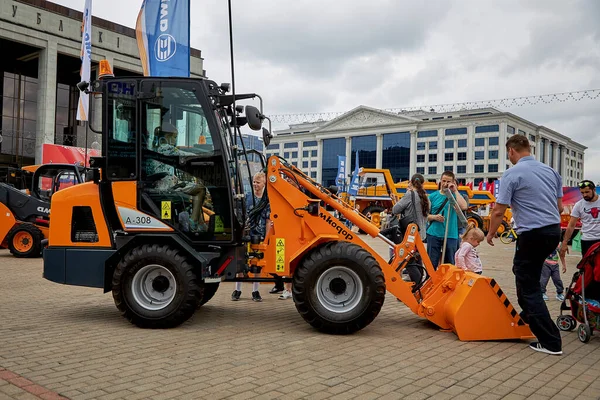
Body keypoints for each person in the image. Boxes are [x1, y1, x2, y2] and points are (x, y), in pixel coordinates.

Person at [486, 134, 564, 356]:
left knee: (527, 286)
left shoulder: (512, 174)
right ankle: (527, 316)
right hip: (553, 232)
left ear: (511, 151)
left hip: (532, 234)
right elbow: (558, 208)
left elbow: (499, 210)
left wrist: (491, 233)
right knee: (526, 274)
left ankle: (550, 341)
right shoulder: (551, 172)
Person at [148, 122, 207, 232]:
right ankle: (193, 223)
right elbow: (188, 156)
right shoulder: (166, 148)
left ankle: (199, 223)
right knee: (200, 190)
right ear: (167, 137)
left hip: (160, 184)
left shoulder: (154, 148)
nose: (175, 141)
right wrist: (203, 157)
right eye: (175, 137)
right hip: (166, 186)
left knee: (193, 192)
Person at [232, 172, 270, 302]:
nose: (255, 185)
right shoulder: (247, 198)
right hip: (246, 236)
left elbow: (269, 221)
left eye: (258, 182)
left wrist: (267, 239)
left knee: (257, 264)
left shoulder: (267, 201)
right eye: (254, 182)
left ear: (264, 183)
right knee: (241, 262)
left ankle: (255, 290)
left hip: (259, 236)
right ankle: (237, 290)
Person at [390, 174, 429, 282]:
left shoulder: (409, 194)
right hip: (420, 234)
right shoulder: (425, 197)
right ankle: (420, 286)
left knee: (410, 261)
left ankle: (416, 287)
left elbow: (395, 210)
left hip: (410, 234)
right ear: (423, 183)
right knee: (417, 261)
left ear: (411, 182)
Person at [426, 171, 468, 268]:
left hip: (451, 234)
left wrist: (455, 191)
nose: (445, 184)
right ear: (440, 181)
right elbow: (425, 215)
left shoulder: (455, 196)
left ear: (453, 182)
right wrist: (434, 217)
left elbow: (464, 206)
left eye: (448, 181)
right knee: (431, 264)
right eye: (443, 181)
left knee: (449, 265)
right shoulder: (432, 196)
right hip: (434, 233)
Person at [560, 180, 600, 259]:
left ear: (594, 190)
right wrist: (564, 242)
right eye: (582, 193)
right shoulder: (579, 205)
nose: (585, 195)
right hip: (587, 241)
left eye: (587, 192)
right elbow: (571, 225)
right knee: (587, 268)